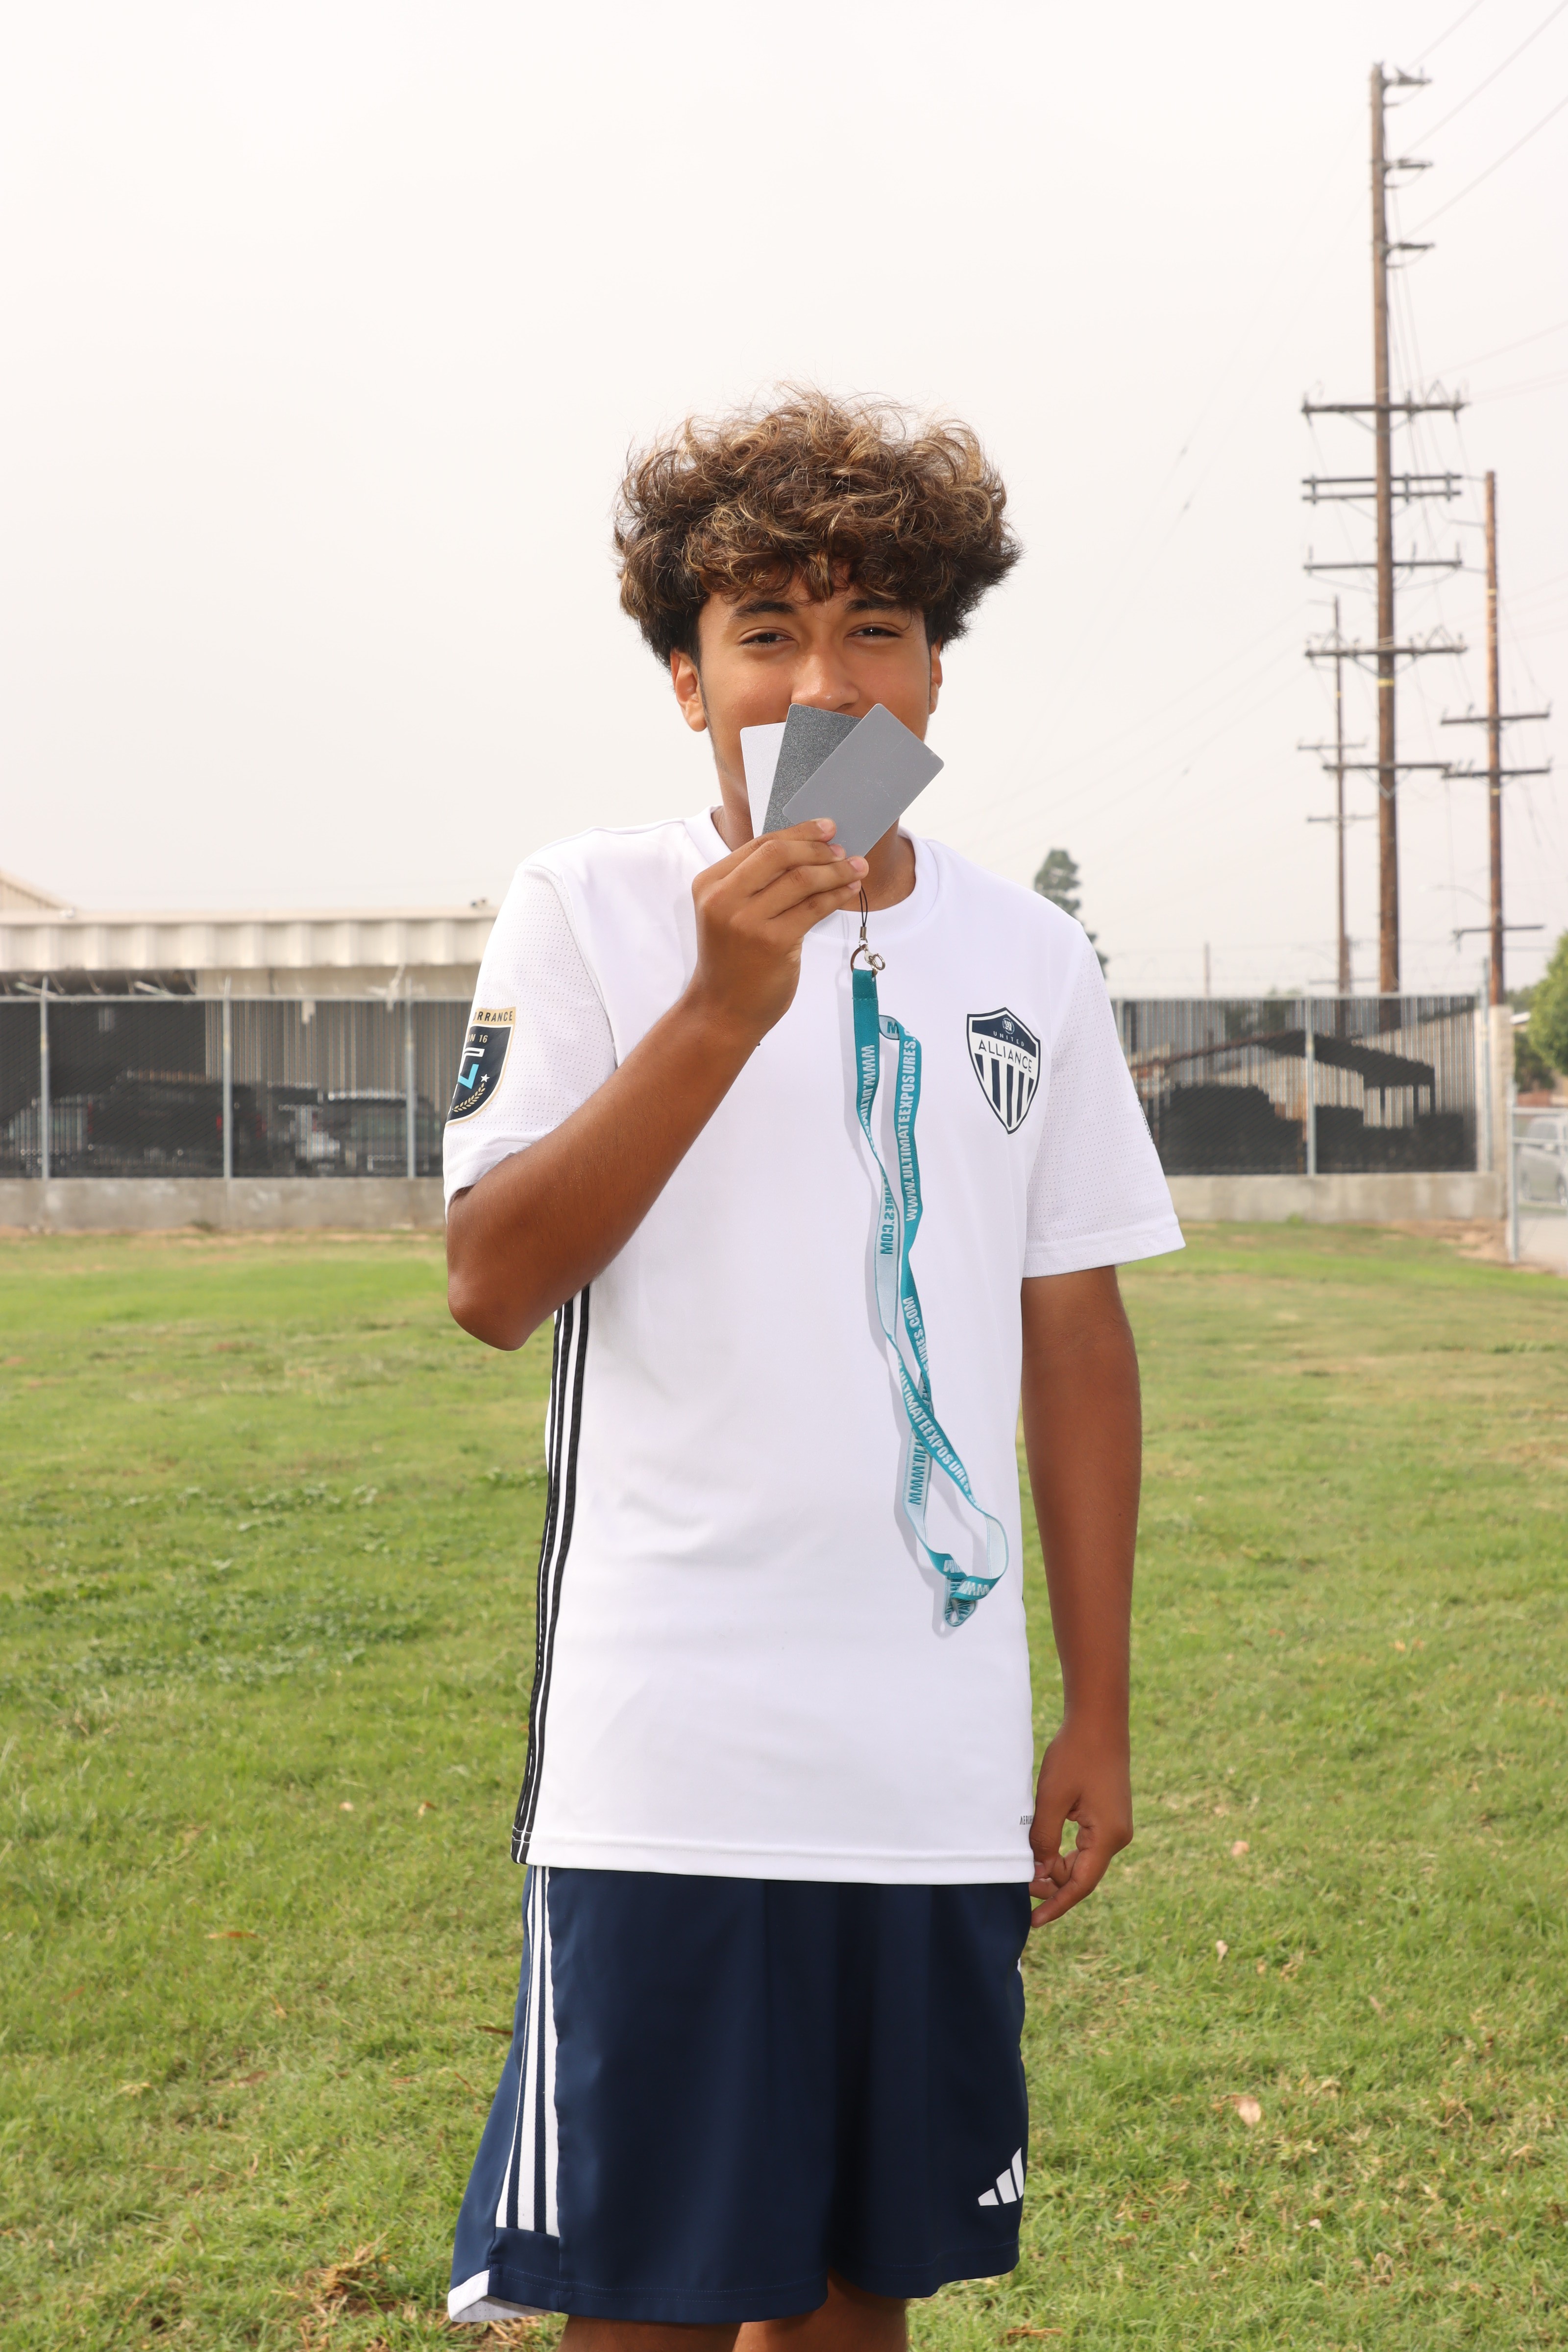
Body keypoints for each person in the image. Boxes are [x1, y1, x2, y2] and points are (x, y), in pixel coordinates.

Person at [441, 393, 1182, 2350]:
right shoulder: (589, 906)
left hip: (929, 1772)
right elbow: (492, 1282)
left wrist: (1097, 1710)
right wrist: (722, 1005)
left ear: (934, 676)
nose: (825, 683)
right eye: (766, 633)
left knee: (863, 2302)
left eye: (875, 630)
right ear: (689, 680)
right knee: (646, 2308)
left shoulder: (1030, 956)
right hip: (671, 1763)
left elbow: (1074, 1338)